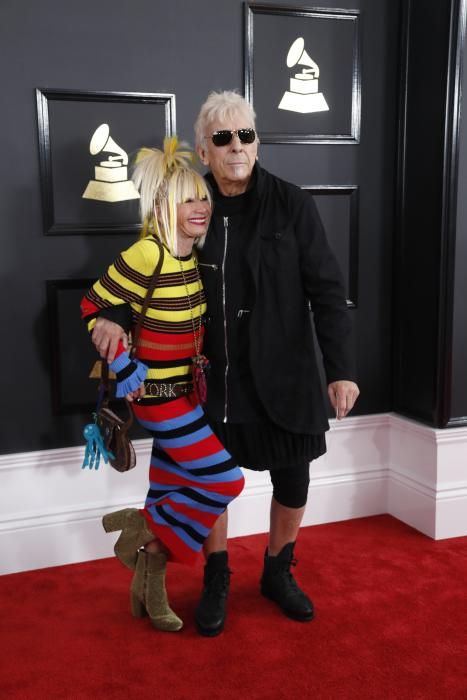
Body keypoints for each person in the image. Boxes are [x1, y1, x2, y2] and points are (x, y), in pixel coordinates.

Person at [91, 91, 360, 638]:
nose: (236, 146)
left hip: (284, 374)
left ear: (256, 143)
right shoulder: (187, 203)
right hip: (209, 379)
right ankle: (217, 577)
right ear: (203, 149)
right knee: (208, 480)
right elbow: (145, 263)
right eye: (223, 138)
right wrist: (113, 314)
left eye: (246, 136)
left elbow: (328, 292)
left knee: (293, 479)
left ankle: (278, 573)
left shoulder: (292, 204)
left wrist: (341, 369)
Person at [80, 137, 245, 633]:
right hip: (157, 401)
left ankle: (150, 590)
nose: (200, 208)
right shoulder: (146, 253)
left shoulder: (191, 254)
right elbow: (95, 308)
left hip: (187, 396)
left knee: (170, 488)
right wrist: (116, 345)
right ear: (161, 206)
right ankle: (143, 530)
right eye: (187, 199)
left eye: (203, 198)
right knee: (225, 480)